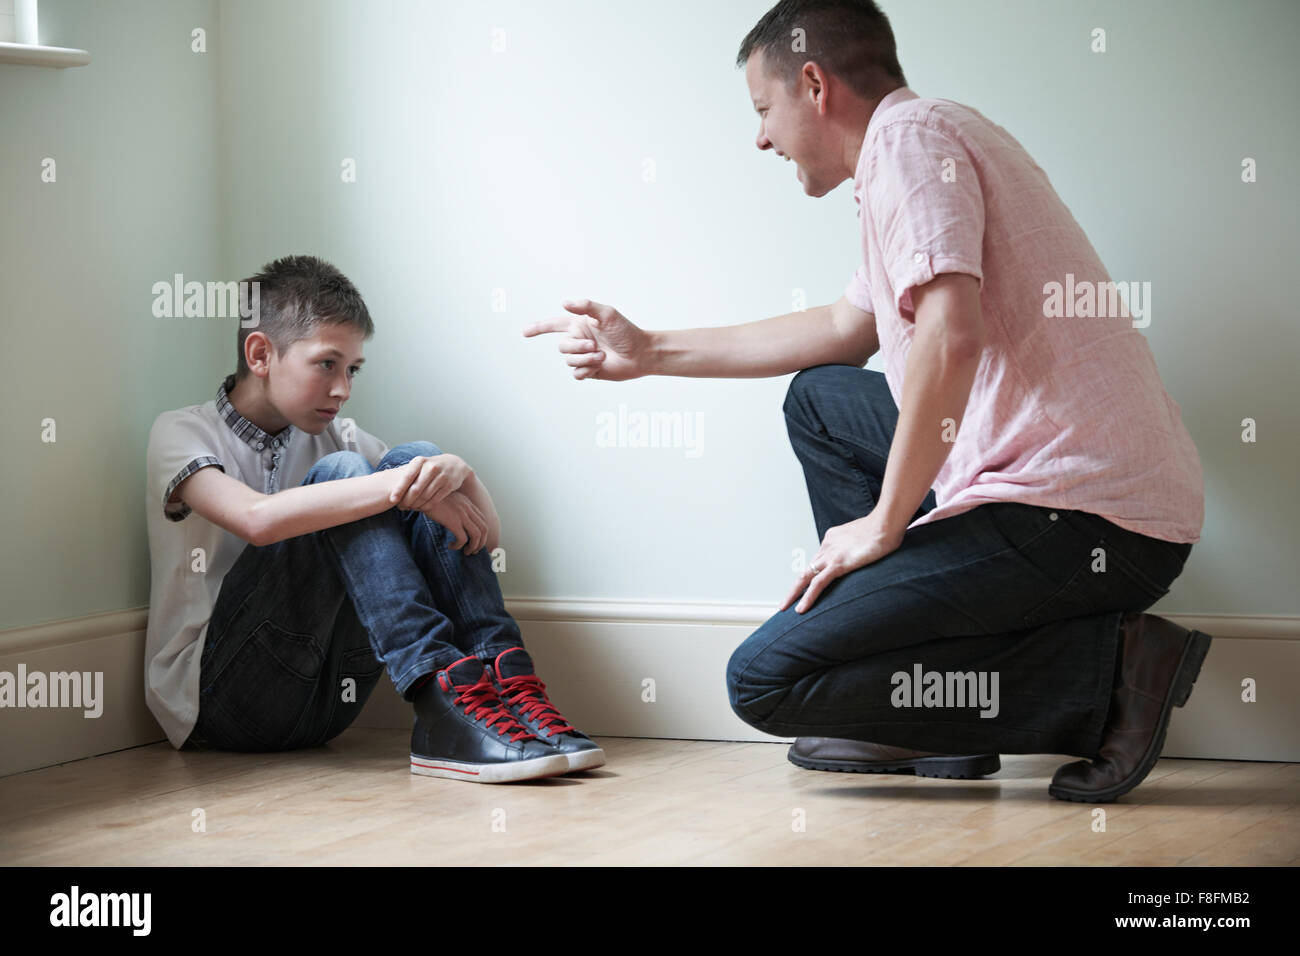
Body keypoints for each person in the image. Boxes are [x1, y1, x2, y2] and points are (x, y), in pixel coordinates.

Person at [523, 0, 1209, 802]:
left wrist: (882, 525)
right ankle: (932, 727)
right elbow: (847, 330)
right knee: (822, 400)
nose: (760, 138)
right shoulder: (924, 141)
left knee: (765, 681)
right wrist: (649, 353)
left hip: (1089, 518)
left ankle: (1116, 674)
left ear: (814, 84)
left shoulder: (910, 147)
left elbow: (953, 337)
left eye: (762, 109)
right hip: (1071, 491)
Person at [144, 254, 603, 783]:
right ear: (260, 353)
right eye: (327, 364)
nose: (344, 389)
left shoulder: (342, 438)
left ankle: (507, 692)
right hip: (220, 704)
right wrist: (400, 486)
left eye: (353, 370)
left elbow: (481, 537)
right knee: (355, 474)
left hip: (328, 701)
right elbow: (256, 519)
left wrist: (459, 474)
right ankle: (438, 698)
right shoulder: (181, 433)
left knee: (416, 458)